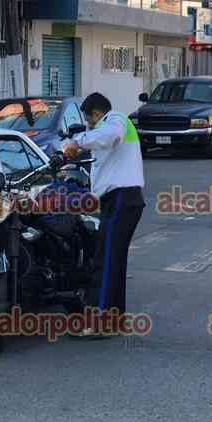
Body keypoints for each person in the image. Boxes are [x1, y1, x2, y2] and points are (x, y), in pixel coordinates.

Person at [64, 92, 145, 337]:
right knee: (114, 261)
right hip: (119, 200)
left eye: (89, 121)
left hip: (122, 198)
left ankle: (97, 323)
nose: (89, 125)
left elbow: (110, 136)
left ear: (97, 114)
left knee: (105, 260)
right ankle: (114, 320)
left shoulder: (116, 119)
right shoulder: (107, 129)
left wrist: (79, 141)